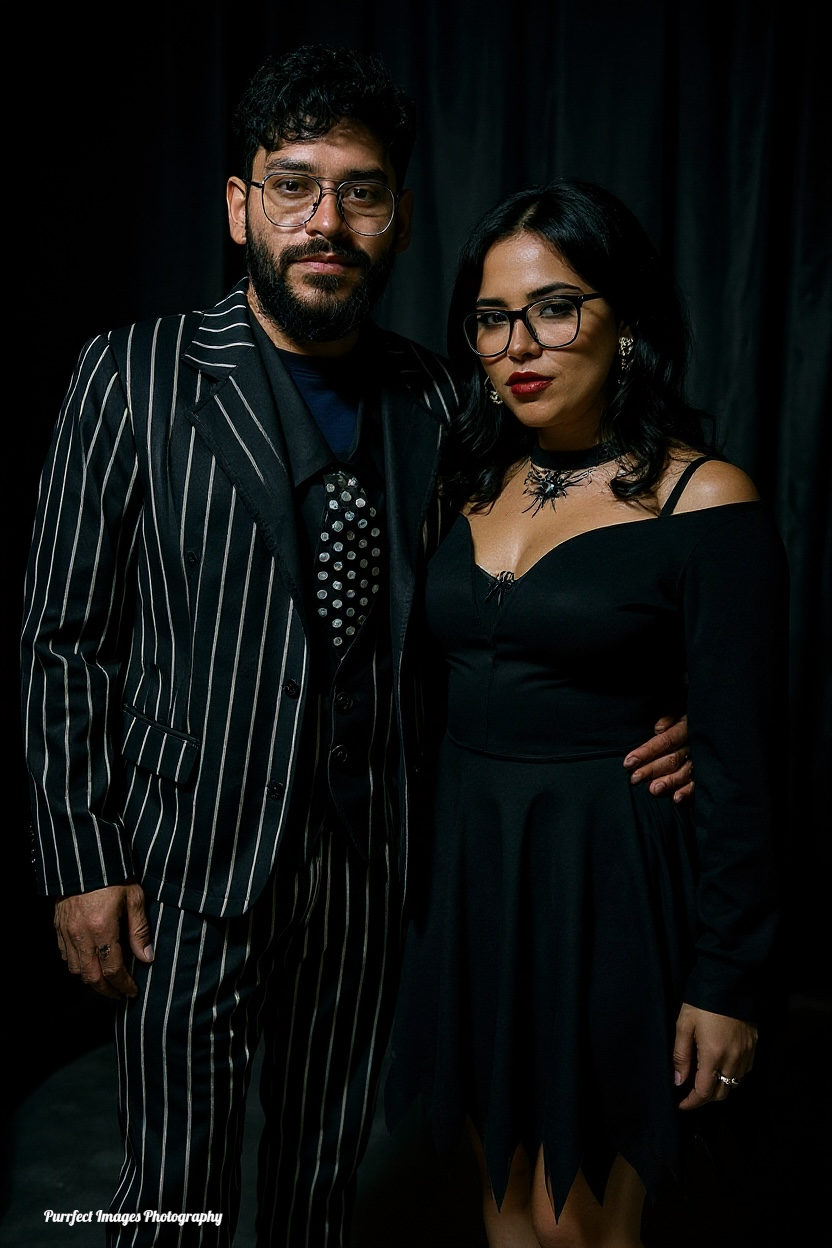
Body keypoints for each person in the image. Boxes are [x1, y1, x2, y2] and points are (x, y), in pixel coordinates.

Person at [20, 48, 692, 1248]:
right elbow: (64, 636)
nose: (327, 219)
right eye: (294, 184)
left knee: (318, 1184)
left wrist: (669, 706)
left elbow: (545, 573)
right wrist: (82, 856)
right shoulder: (129, 378)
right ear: (240, 208)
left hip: (368, 872)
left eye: (362, 190)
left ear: (399, 217)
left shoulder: (441, 399)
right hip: (185, 866)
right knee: (169, 1194)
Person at [385, 179, 788, 1248]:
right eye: (491, 317)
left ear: (627, 324)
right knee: (501, 1205)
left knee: (583, 1226)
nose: (520, 342)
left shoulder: (705, 499)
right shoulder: (468, 479)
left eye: (555, 308)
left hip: (603, 886)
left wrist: (726, 982)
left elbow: (748, 764)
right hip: (473, 885)